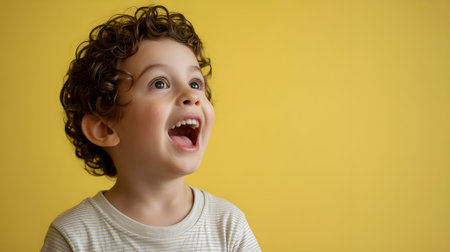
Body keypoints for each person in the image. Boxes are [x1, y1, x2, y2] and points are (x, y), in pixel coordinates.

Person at [41, 5, 261, 251]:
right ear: (105, 129)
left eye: (195, 83)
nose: (192, 95)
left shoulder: (228, 225)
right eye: (159, 83)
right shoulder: (75, 236)